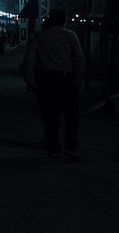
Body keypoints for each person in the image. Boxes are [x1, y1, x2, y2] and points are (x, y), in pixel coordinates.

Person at [23, 9, 85, 158]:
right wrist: (79, 78)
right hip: (67, 79)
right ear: (64, 21)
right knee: (71, 114)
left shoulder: (40, 36)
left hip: (46, 79)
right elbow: (79, 58)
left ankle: (52, 144)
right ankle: (70, 144)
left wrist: (30, 80)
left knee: (50, 113)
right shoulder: (71, 35)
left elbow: (30, 59)